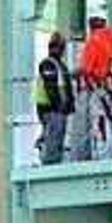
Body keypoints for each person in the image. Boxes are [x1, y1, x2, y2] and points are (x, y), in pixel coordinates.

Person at [75, 14, 112, 160]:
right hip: (110, 88)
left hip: (97, 87)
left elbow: (86, 69)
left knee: (98, 120)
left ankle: (101, 153)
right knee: (110, 119)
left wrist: (77, 74)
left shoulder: (93, 41)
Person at [34, 30, 74, 166]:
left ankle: (50, 159)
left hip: (54, 109)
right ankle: (49, 163)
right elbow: (51, 88)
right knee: (53, 139)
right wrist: (60, 107)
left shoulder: (57, 64)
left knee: (55, 138)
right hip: (51, 109)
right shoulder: (49, 64)